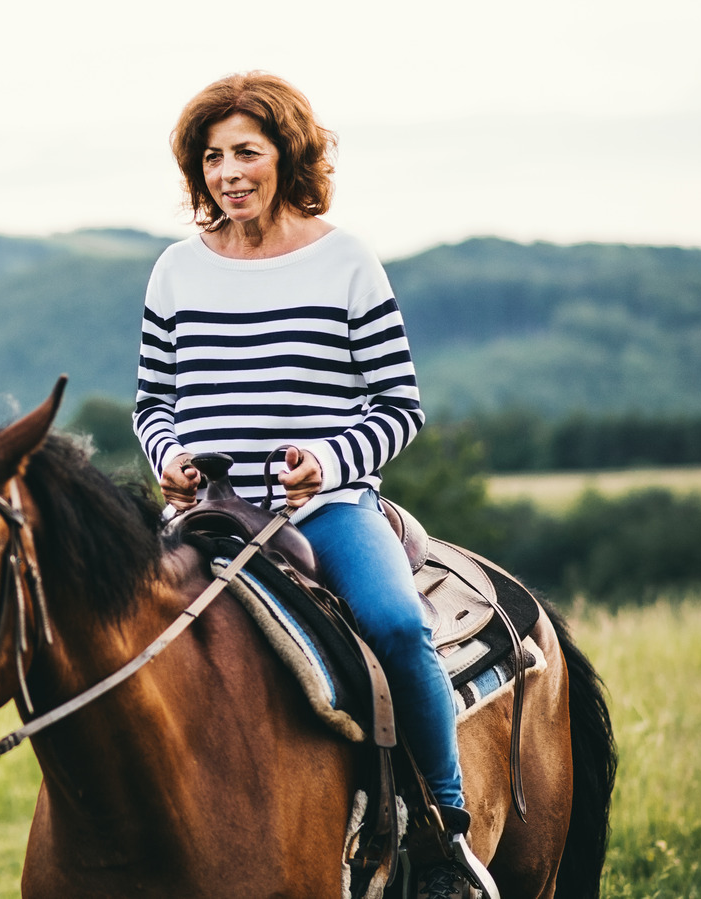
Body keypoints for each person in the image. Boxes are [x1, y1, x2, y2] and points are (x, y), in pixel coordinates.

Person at [132, 72, 492, 898]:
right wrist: (167, 457)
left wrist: (327, 462)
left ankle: (443, 834)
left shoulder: (346, 260)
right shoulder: (175, 271)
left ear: (285, 155)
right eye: (212, 157)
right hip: (206, 515)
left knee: (400, 627)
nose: (228, 172)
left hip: (323, 510)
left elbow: (401, 406)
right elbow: (154, 401)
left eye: (246, 153)